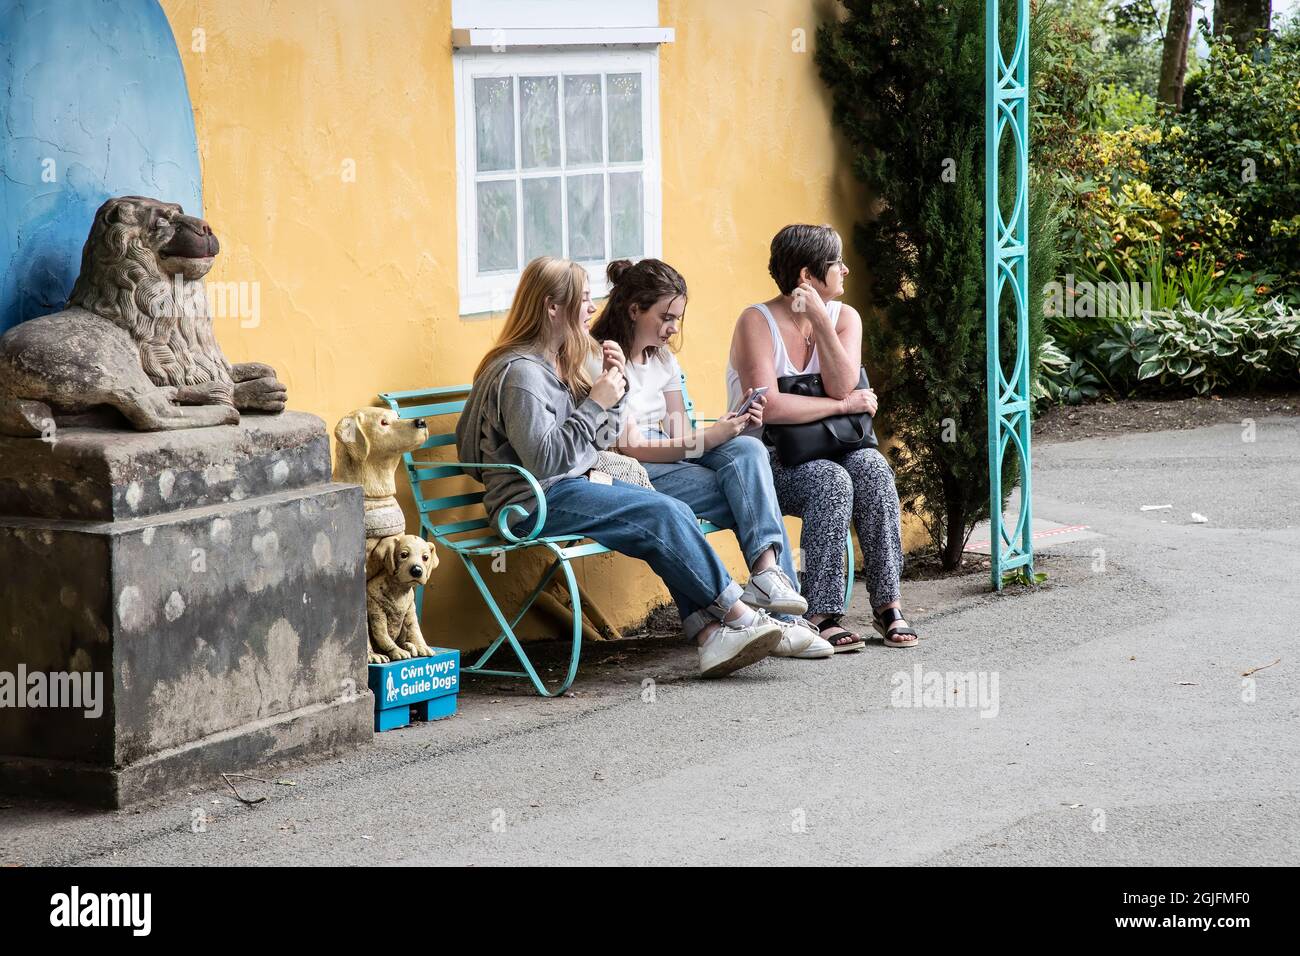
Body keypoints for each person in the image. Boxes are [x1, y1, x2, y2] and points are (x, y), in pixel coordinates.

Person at [456, 255, 786, 678]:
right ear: (552, 307)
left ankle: (710, 636)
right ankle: (740, 616)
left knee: (668, 511)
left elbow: (592, 440)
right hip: (532, 502)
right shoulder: (523, 374)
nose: (593, 309)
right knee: (661, 512)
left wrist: (613, 389)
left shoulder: (556, 362)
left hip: (570, 484)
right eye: (585, 299)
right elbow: (545, 459)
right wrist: (597, 401)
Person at [589, 258, 833, 660]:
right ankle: (782, 620)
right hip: (632, 470)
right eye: (665, 317)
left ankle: (766, 577)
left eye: (677, 319)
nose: (672, 329)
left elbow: (679, 434)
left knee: (749, 448)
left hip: (670, 457)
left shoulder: (663, 360)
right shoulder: (605, 357)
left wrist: (727, 426)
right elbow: (629, 446)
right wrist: (707, 440)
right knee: (747, 496)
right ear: (634, 310)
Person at [726, 224, 919, 650]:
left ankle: (888, 602)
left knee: (872, 468)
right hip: (768, 459)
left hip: (834, 447)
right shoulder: (756, 322)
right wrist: (843, 407)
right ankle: (823, 611)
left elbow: (842, 381)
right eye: (837, 264)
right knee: (831, 482)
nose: (846, 270)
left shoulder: (844, 317)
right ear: (806, 276)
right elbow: (770, 407)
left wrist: (818, 318)